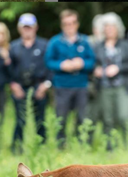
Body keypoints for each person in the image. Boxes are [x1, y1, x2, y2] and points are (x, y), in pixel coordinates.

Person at [45, 9, 95, 147]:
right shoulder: (55, 42)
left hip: (81, 85)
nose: (70, 26)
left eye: (72, 23)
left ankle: (84, 145)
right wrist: (61, 65)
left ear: (77, 24)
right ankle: (60, 146)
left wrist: (82, 63)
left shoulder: (84, 41)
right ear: (62, 25)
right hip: (62, 85)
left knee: (83, 117)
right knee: (61, 118)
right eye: (66, 23)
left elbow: (92, 62)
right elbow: (48, 62)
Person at [94, 12, 128, 150]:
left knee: (124, 117)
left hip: (123, 86)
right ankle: (110, 149)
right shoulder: (98, 46)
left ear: (118, 28)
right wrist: (96, 70)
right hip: (105, 87)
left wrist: (118, 68)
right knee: (108, 119)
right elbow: (93, 65)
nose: (109, 29)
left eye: (112, 26)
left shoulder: (125, 44)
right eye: (106, 27)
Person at [9, 13, 51, 153]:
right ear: (20, 28)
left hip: (39, 86)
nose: (27, 30)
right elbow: (8, 69)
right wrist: (13, 85)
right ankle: (16, 147)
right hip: (20, 87)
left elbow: (50, 66)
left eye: (30, 27)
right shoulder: (13, 47)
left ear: (36, 28)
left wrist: (46, 85)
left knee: (40, 119)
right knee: (20, 119)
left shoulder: (45, 45)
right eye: (25, 27)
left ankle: (41, 147)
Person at [86, 14, 104, 144]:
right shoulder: (88, 42)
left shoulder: (112, 42)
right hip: (91, 85)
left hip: (107, 85)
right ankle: (87, 142)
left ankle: (106, 143)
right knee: (89, 116)